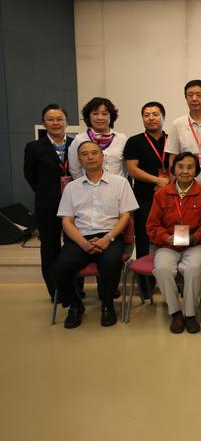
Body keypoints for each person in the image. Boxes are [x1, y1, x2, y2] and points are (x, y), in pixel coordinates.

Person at [50, 140, 138, 329]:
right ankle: (75, 305)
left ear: (102, 156)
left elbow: (125, 217)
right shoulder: (72, 187)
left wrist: (108, 238)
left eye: (94, 153)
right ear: (79, 159)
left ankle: (107, 305)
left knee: (111, 263)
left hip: (110, 236)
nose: (90, 157)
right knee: (58, 269)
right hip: (80, 238)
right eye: (84, 154)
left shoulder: (120, 183)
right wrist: (83, 243)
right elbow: (67, 221)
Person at [147, 152, 201, 334]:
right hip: (168, 245)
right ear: (173, 169)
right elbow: (152, 225)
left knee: (193, 269)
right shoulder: (161, 194)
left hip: (195, 245)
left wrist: (195, 237)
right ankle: (176, 313)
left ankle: (190, 314)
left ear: (196, 170)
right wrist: (165, 237)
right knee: (162, 269)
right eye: (180, 167)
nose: (185, 171)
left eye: (190, 167)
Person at [24, 104, 74, 299]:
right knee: (50, 248)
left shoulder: (75, 144)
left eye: (59, 119)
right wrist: (49, 193)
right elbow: (30, 176)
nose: (55, 123)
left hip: (74, 206)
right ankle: (55, 291)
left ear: (67, 122)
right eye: (50, 119)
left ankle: (75, 288)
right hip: (47, 205)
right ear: (44, 123)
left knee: (73, 246)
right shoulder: (34, 147)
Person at [124, 101, 170, 297]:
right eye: (147, 115)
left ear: (163, 117)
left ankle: (171, 280)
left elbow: (179, 165)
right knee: (144, 239)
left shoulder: (171, 139)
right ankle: (146, 286)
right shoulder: (134, 141)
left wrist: (168, 183)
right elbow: (132, 169)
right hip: (144, 197)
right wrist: (158, 180)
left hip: (170, 197)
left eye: (155, 114)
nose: (151, 118)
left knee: (170, 237)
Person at [68, 97, 128, 178]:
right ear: (88, 116)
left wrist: (120, 182)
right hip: (88, 185)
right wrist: (87, 183)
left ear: (111, 116)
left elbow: (126, 168)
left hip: (117, 185)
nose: (100, 117)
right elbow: (74, 169)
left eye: (104, 114)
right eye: (95, 114)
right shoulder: (79, 139)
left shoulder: (121, 138)